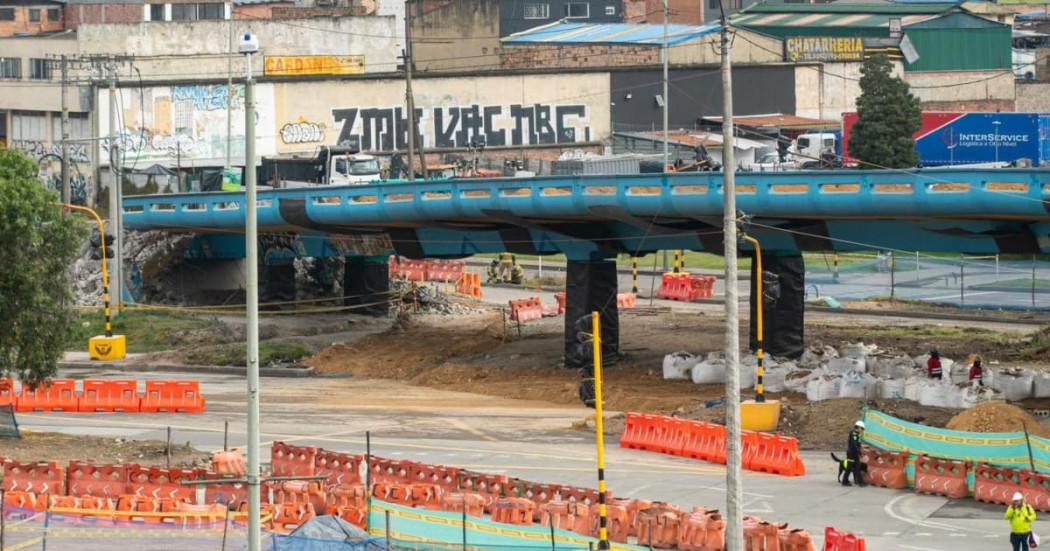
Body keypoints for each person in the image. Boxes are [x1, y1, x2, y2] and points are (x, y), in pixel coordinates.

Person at [843, 420, 865, 487]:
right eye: (862, 428)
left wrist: (860, 449)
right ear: (858, 427)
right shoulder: (853, 434)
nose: (862, 430)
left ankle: (860, 482)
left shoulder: (857, 434)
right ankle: (845, 481)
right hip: (851, 453)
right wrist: (859, 451)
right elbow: (854, 445)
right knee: (849, 468)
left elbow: (857, 444)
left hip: (854, 453)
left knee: (857, 468)